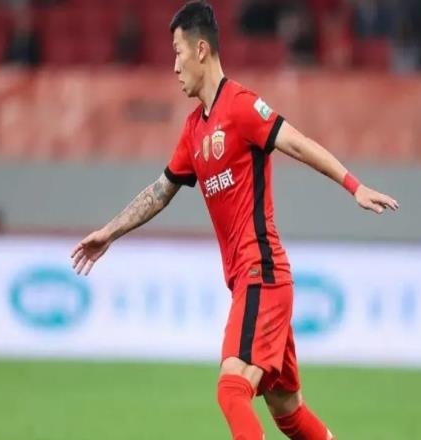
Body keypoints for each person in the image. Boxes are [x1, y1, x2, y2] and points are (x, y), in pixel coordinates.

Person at [71, 2, 399, 439]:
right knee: (288, 412)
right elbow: (160, 191)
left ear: (201, 50)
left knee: (231, 389)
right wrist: (109, 233)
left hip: (261, 272)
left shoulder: (242, 106)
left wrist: (353, 185)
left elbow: (296, 142)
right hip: (252, 280)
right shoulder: (194, 130)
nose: (174, 66)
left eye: (177, 52)